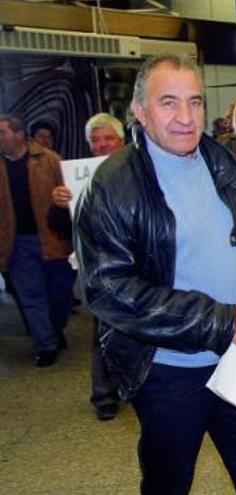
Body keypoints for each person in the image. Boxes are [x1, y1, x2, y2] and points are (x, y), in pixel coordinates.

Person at [74, 54, 236, 494]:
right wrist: (216, 320)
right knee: (168, 481)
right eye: (168, 102)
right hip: (168, 371)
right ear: (139, 111)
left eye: (195, 102)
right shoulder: (112, 186)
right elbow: (110, 290)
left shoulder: (224, 163)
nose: (186, 118)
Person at [50, 113, 125, 420]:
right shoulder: (77, 176)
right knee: (102, 329)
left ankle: (137, 385)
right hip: (98, 266)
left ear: (121, 141)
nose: (101, 145)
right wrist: (57, 206)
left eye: (108, 138)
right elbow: (61, 226)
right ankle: (104, 394)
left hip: (139, 264)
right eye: (95, 140)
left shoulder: (143, 171)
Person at [0, 114, 74, 367]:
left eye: (2, 133)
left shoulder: (49, 160)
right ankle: (46, 344)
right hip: (16, 243)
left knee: (60, 294)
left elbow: (70, 194)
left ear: (19, 134)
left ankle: (55, 329)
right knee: (31, 296)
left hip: (52, 239)